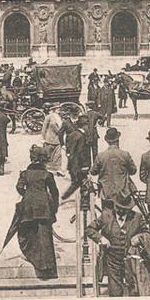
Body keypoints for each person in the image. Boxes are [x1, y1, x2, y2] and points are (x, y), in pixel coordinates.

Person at [85, 192, 150, 297]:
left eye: (124, 209)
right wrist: (101, 238)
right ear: (115, 205)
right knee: (115, 293)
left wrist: (139, 238)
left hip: (131, 261)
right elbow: (89, 229)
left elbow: (148, 233)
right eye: (118, 207)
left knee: (134, 292)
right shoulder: (106, 215)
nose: (120, 211)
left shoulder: (137, 217)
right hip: (113, 261)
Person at [14, 145, 60, 280]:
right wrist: (54, 207)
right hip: (44, 207)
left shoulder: (25, 174)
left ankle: (34, 257)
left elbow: (19, 187)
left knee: (28, 232)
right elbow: (54, 192)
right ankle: (48, 269)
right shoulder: (47, 174)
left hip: (28, 207)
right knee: (45, 236)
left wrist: (27, 195)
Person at [89, 127, 137, 209]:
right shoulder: (125, 154)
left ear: (107, 141)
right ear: (118, 139)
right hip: (123, 193)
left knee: (107, 216)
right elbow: (133, 171)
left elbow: (93, 172)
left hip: (106, 193)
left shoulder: (101, 156)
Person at [62, 115, 92, 201]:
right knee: (80, 182)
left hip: (72, 164)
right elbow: (81, 153)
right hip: (80, 165)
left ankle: (65, 197)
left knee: (76, 182)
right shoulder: (82, 136)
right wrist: (85, 166)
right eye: (87, 125)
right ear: (84, 125)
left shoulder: (72, 134)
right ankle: (65, 198)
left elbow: (69, 148)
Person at [40, 106, 64, 176]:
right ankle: (45, 169)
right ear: (54, 110)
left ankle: (58, 169)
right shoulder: (50, 117)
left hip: (57, 139)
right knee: (47, 155)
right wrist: (43, 138)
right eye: (58, 109)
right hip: (50, 139)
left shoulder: (58, 117)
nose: (59, 110)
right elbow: (44, 128)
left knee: (58, 155)